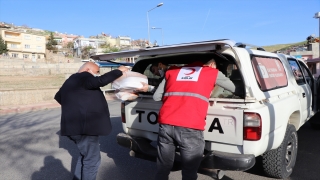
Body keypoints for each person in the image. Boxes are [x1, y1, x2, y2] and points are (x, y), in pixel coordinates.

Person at [153, 59, 233, 180]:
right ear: (212, 64)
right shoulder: (212, 72)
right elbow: (235, 88)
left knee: (163, 168)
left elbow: (156, 96)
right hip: (190, 126)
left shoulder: (172, 71)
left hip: (166, 124)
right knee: (189, 172)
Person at [54, 62, 128, 180]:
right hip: (85, 128)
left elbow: (58, 97)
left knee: (85, 157)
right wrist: (119, 71)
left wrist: (75, 107)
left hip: (73, 128)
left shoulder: (70, 80)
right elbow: (100, 81)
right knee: (92, 161)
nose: (96, 75)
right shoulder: (83, 77)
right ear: (88, 69)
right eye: (97, 72)